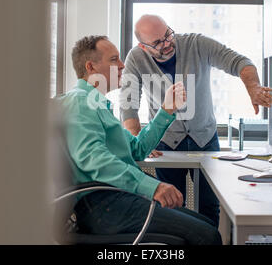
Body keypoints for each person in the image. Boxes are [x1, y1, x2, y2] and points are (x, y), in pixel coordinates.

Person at [62, 35, 222, 245]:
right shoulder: (80, 102)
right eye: (114, 60)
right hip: (105, 205)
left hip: (117, 200)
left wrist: (166, 110)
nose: (121, 65)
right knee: (207, 236)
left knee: (207, 225)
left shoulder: (99, 106)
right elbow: (94, 160)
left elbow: (137, 149)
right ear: (91, 67)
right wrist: (152, 187)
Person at [120, 15, 272, 227]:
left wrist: (254, 88)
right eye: (157, 43)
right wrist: (139, 140)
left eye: (168, 35)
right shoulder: (136, 58)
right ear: (144, 47)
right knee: (172, 205)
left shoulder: (196, 43)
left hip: (205, 138)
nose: (167, 44)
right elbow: (128, 105)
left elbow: (240, 62)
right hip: (165, 143)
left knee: (209, 204)